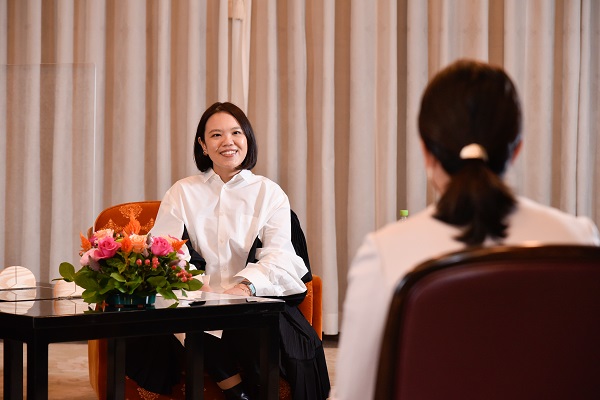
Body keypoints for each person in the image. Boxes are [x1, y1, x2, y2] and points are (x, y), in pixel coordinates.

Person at [332, 59, 600, 400]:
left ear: (426, 151)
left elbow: (357, 393)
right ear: (515, 149)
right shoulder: (579, 239)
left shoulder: (384, 252)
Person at [126, 102, 330, 399]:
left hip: (251, 296)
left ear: (247, 139)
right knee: (184, 316)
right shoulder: (182, 191)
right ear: (203, 145)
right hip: (195, 296)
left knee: (250, 320)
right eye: (216, 135)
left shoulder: (269, 193)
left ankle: (251, 387)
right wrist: (197, 284)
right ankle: (236, 391)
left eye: (236, 132)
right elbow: (165, 248)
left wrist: (243, 285)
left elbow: (281, 254)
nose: (228, 142)